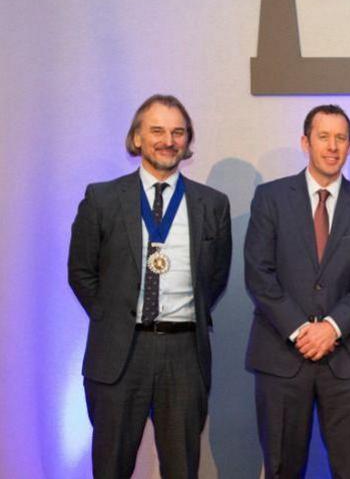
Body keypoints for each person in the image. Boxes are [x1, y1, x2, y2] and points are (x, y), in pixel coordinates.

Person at [68, 94, 232, 478]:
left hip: (184, 354)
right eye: (157, 130)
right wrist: (114, 319)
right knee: (111, 467)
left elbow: (215, 278)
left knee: (181, 468)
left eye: (178, 132)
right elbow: (81, 272)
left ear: (187, 141)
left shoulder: (212, 204)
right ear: (137, 138)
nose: (168, 140)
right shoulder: (102, 199)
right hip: (119, 355)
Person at [244, 104, 350, 478]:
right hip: (280, 356)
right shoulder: (270, 198)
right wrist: (299, 329)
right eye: (323, 137)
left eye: (341, 138)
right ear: (305, 141)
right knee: (280, 468)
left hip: (346, 359)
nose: (332, 146)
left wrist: (331, 328)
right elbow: (259, 274)